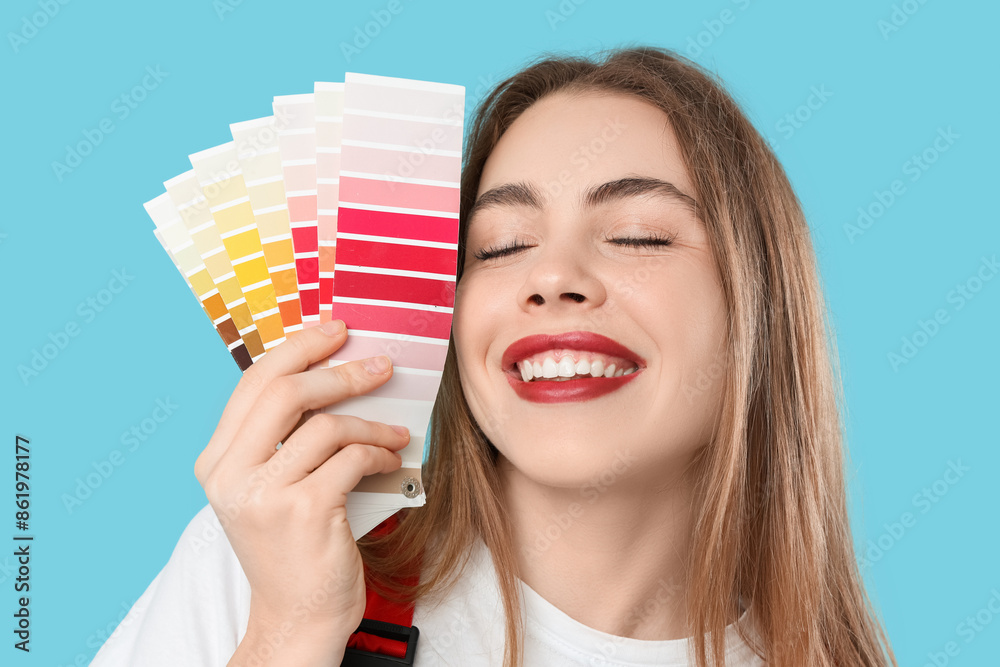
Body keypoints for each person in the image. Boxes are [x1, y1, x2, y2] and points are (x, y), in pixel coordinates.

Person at [91, 46, 898, 667]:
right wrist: (288, 633)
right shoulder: (263, 566)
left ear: (760, 306)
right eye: (501, 246)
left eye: (638, 235)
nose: (550, 276)